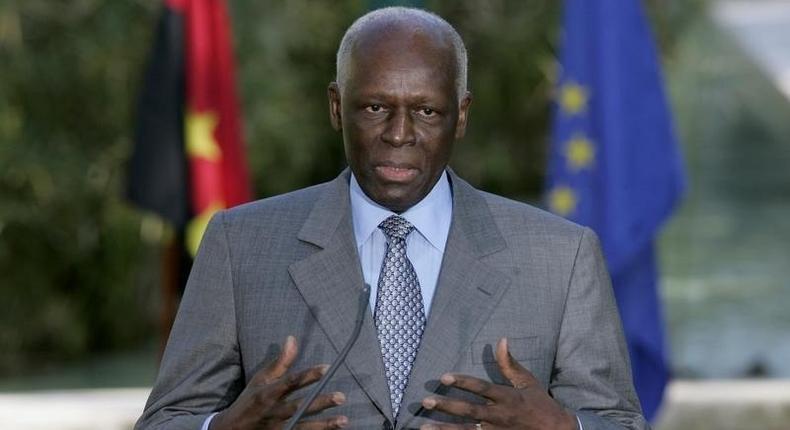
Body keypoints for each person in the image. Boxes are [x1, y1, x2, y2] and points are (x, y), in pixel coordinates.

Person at [136, 7, 648, 430]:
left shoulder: (562, 255)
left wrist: (566, 428)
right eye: (376, 107)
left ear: (461, 114)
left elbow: (620, 421)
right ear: (337, 108)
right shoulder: (239, 245)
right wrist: (221, 428)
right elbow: (165, 420)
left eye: (426, 111)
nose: (399, 133)